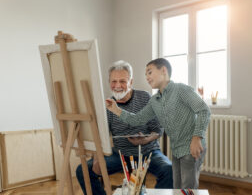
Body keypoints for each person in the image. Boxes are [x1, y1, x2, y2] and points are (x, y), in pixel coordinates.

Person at [106, 58, 210, 189]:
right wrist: (116, 110)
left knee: (187, 189)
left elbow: (204, 110)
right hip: (177, 150)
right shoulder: (155, 100)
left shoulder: (182, 89)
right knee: (177, 188)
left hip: (191, 146)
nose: (147, 77)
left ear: (164, 71)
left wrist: (197, 138)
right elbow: (137, 119)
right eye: (145, 74)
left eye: (149, 72)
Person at [76, 60, 173, 195]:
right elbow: (100, 136)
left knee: (169, 169)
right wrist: (97, 157)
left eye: (122, 81)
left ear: (131, 82)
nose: (117, 86)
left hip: (148, 152)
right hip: (119, 155)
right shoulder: (108, 105)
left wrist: (144, 140)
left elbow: (158, 130)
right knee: (83, 170)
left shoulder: (145, 97)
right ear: (109, 82)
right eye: (113, 81)